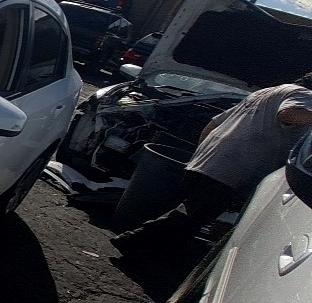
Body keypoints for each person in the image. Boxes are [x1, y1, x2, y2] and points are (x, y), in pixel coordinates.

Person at [111, 74, 312, 257]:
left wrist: (201, 154)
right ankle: (134, 241)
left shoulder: (265, 93)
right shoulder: (304, 95)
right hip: (234, 166)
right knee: (192, 215)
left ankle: (164, 253)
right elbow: (289, 114)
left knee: (194, 214)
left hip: (210, 158)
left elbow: (214, 123)